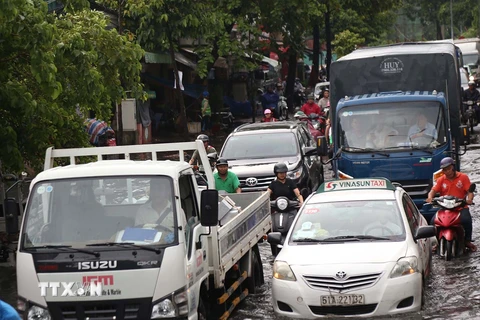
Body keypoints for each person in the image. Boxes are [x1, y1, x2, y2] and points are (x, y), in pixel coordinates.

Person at [427, 157, 477, 252]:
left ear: (453, 167)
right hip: (445, 206)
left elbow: (470, 191)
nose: (448, 171)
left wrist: (469, 199)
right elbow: (433, 190)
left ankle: (467, 240)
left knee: (467, 220)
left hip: (460, 206)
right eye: (445, 169)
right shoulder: (441, 179)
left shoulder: (463, 177)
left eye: (449, 168)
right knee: (433, 221)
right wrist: (430, 198)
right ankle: (437, 242)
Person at [135, 179, 175, 243]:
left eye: (160, 189)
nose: (156, 192)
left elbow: (184, 234)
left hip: (172, 247)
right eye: (153, 189)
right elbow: (138, 233)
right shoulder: (142, 210)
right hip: (148, 248)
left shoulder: (176, 211)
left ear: (168, 192)